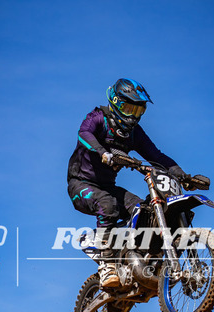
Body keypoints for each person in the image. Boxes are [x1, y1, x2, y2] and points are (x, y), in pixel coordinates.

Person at [67, 78, 188, 288]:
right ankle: (107, 265)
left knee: (144, 211)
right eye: (129, 108)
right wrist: (102, 152)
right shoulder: (99, 118)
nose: (132, 116)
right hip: (81, 184)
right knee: (107, 205)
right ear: (116, 102)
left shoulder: (134, 133)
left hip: (108, 188)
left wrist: (183, 175)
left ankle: (138, 259)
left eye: (138, 111)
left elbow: (156, 155)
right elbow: (84, 134)